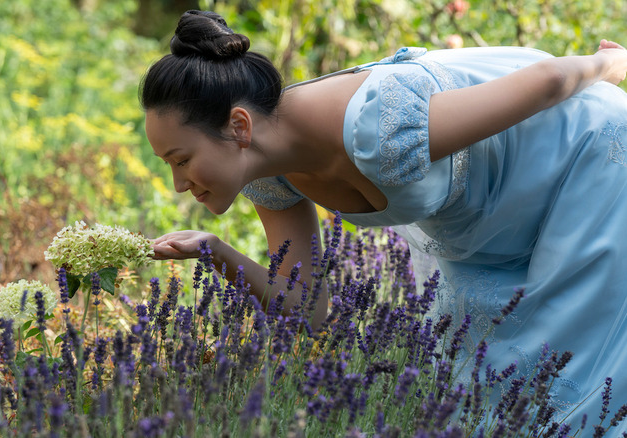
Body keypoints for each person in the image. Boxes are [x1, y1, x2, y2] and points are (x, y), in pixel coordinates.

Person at [141, 9, 627, 425]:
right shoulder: (271, 175)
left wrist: (610, 62)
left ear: (239, 126)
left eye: (181, 160)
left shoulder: (378, 129)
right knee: (478, 388)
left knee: (571, 374)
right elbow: (308, 310)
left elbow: (548, 82)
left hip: (587, 159)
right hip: (494, 224)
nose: (179, 184)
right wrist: (214, 252)